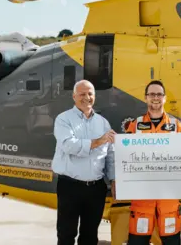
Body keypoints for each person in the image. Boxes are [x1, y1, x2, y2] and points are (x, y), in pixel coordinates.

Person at [51, 80, 116, 245]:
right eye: (82, 94)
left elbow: (110, 155)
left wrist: (114, 180)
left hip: (96, 189)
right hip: (70, 187)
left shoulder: (103, 123)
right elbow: (68, 145)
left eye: (90, 94)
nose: (87, 97)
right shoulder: (63, 119)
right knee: (66, 234)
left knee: (90, 235)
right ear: (74, 96)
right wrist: (97, 141)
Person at [125, 80, 181, 245]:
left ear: (164, 98)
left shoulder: (176, 126)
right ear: (146, 98)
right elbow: (126, 157)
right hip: (142, 199)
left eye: (159, 94)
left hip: (169, 200)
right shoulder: (135, 125)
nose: (155, 98)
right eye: (152, 94)